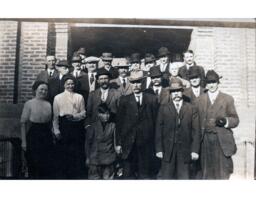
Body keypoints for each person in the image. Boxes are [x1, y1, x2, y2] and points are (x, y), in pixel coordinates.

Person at [195, 70, 239, 179]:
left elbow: (235, 120)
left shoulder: (227, 99)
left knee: (222, 172)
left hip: (221, 140)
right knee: (206, 172)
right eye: (209, 82)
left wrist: (225, 121)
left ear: (218, 83)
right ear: (206, 84)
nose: (211, 85)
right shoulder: (199, 100)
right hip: (204, 140)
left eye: (214, 82)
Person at [116, 70, 158, 179]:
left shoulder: (152, 99)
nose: (136, 85)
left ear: (143, 82)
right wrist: (119, 143)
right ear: (130, 83)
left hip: (146, 143)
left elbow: (156, 122)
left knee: (145, 174)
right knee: (128, 174)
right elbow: (119, 123)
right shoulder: (124, 100)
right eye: (133, 83)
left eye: (138, 82)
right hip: (129, 143)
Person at [155, 78, 201, 179]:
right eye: (173, 92)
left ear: (182, 92)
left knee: (184, 178)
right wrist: (159, 149)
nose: (176, 94)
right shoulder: (163, 108)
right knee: (167, 178)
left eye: (178, 91)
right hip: (168, 151)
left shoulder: (191, 108)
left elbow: (196, 131)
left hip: (185, 151)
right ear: (170, 94)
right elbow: (159, 130)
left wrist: (195, 150)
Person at [52, 76, 86, 179]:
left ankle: (75, 176)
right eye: (68, 84)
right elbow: (55, 116)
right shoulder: (58, 97)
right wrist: (56, 131)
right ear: (64, 85)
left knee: (76, 153)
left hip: (76, 127)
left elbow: (84, 113)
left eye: (72, 84)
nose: (70, 86)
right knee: (63, 154)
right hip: (64, 127)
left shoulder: (79, 97)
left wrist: (75, 116)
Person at [20, 81, 55, 179]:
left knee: (45, 165)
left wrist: (52, 137)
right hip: (33, 135)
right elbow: (23, 123)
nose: (43, 92)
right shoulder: (29, 104)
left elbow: (50, 123)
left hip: (46, 135)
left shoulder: (49, 104)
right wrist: (24, 142)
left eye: (46, 90)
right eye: (41, 89)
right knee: (33, 164)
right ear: (35, 90)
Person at [85, 103, 117, 179]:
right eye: (104, 114)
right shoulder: (92, 127)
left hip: (109, 159)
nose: (106, 116)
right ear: (99, 114)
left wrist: (116, 159)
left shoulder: (113, 126)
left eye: (108, 114)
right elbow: (87, 144)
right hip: (95, 160)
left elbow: (115, 143)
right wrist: (88, 158)